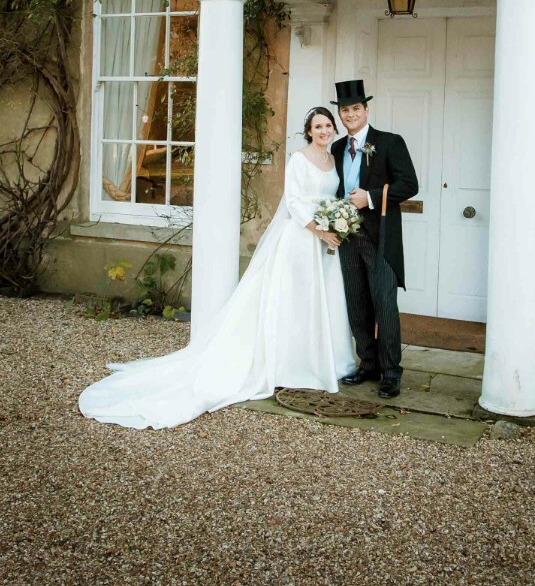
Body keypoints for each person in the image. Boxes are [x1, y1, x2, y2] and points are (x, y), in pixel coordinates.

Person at [78, 107, 355, 430]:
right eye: (317, 126)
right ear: (308, 131)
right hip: (301, 239)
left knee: (317, 303)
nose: (323, 131)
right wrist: (319, 229)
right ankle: (290, 364)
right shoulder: (299, 159)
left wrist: (335, 223)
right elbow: (293, 201)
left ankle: (320, 360)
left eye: (327, 126)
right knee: (294, 301)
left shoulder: (333, 159)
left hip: (323, 242)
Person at [331, 79, 418, 400]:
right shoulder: (338, 147)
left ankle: (391, 372)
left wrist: (369, 196)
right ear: (340, 114)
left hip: (380, 238)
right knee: (357, 306)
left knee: (385, 306)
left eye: (356, 108)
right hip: (347, 236)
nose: (350, 114)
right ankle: (367, 363)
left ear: (366, 110)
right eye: (345, 110)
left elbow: (409, 185)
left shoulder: (389, 142)